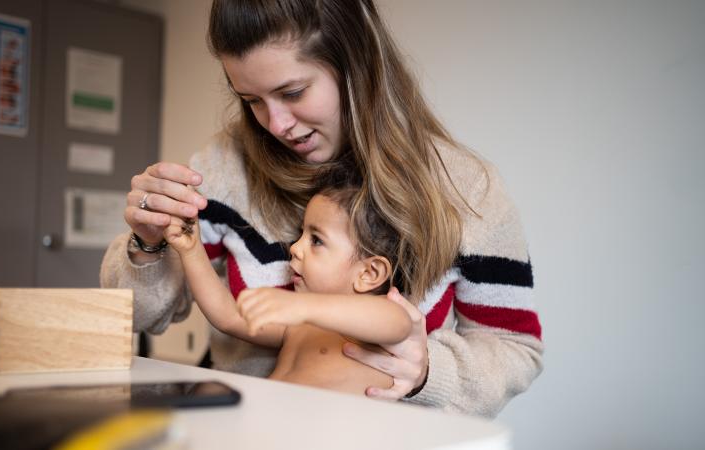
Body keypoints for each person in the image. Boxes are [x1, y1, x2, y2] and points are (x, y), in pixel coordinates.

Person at [101, 0, 543, 417]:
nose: (276, 125)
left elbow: (511, 348)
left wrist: (427, 373)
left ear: (356, 68)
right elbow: (141, 318)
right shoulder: (221, 170)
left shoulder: (467, 189)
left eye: (292, 92)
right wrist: (152, 242)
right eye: (251, 100)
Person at [163, 166, 412, 395]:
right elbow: (227, 317)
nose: (294, 248)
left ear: (369, 274)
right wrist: (191, 249)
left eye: (316, 240)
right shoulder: (298, 325)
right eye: (301, 234)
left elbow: (399, 324)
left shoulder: (382, 319)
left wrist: (300, 307)